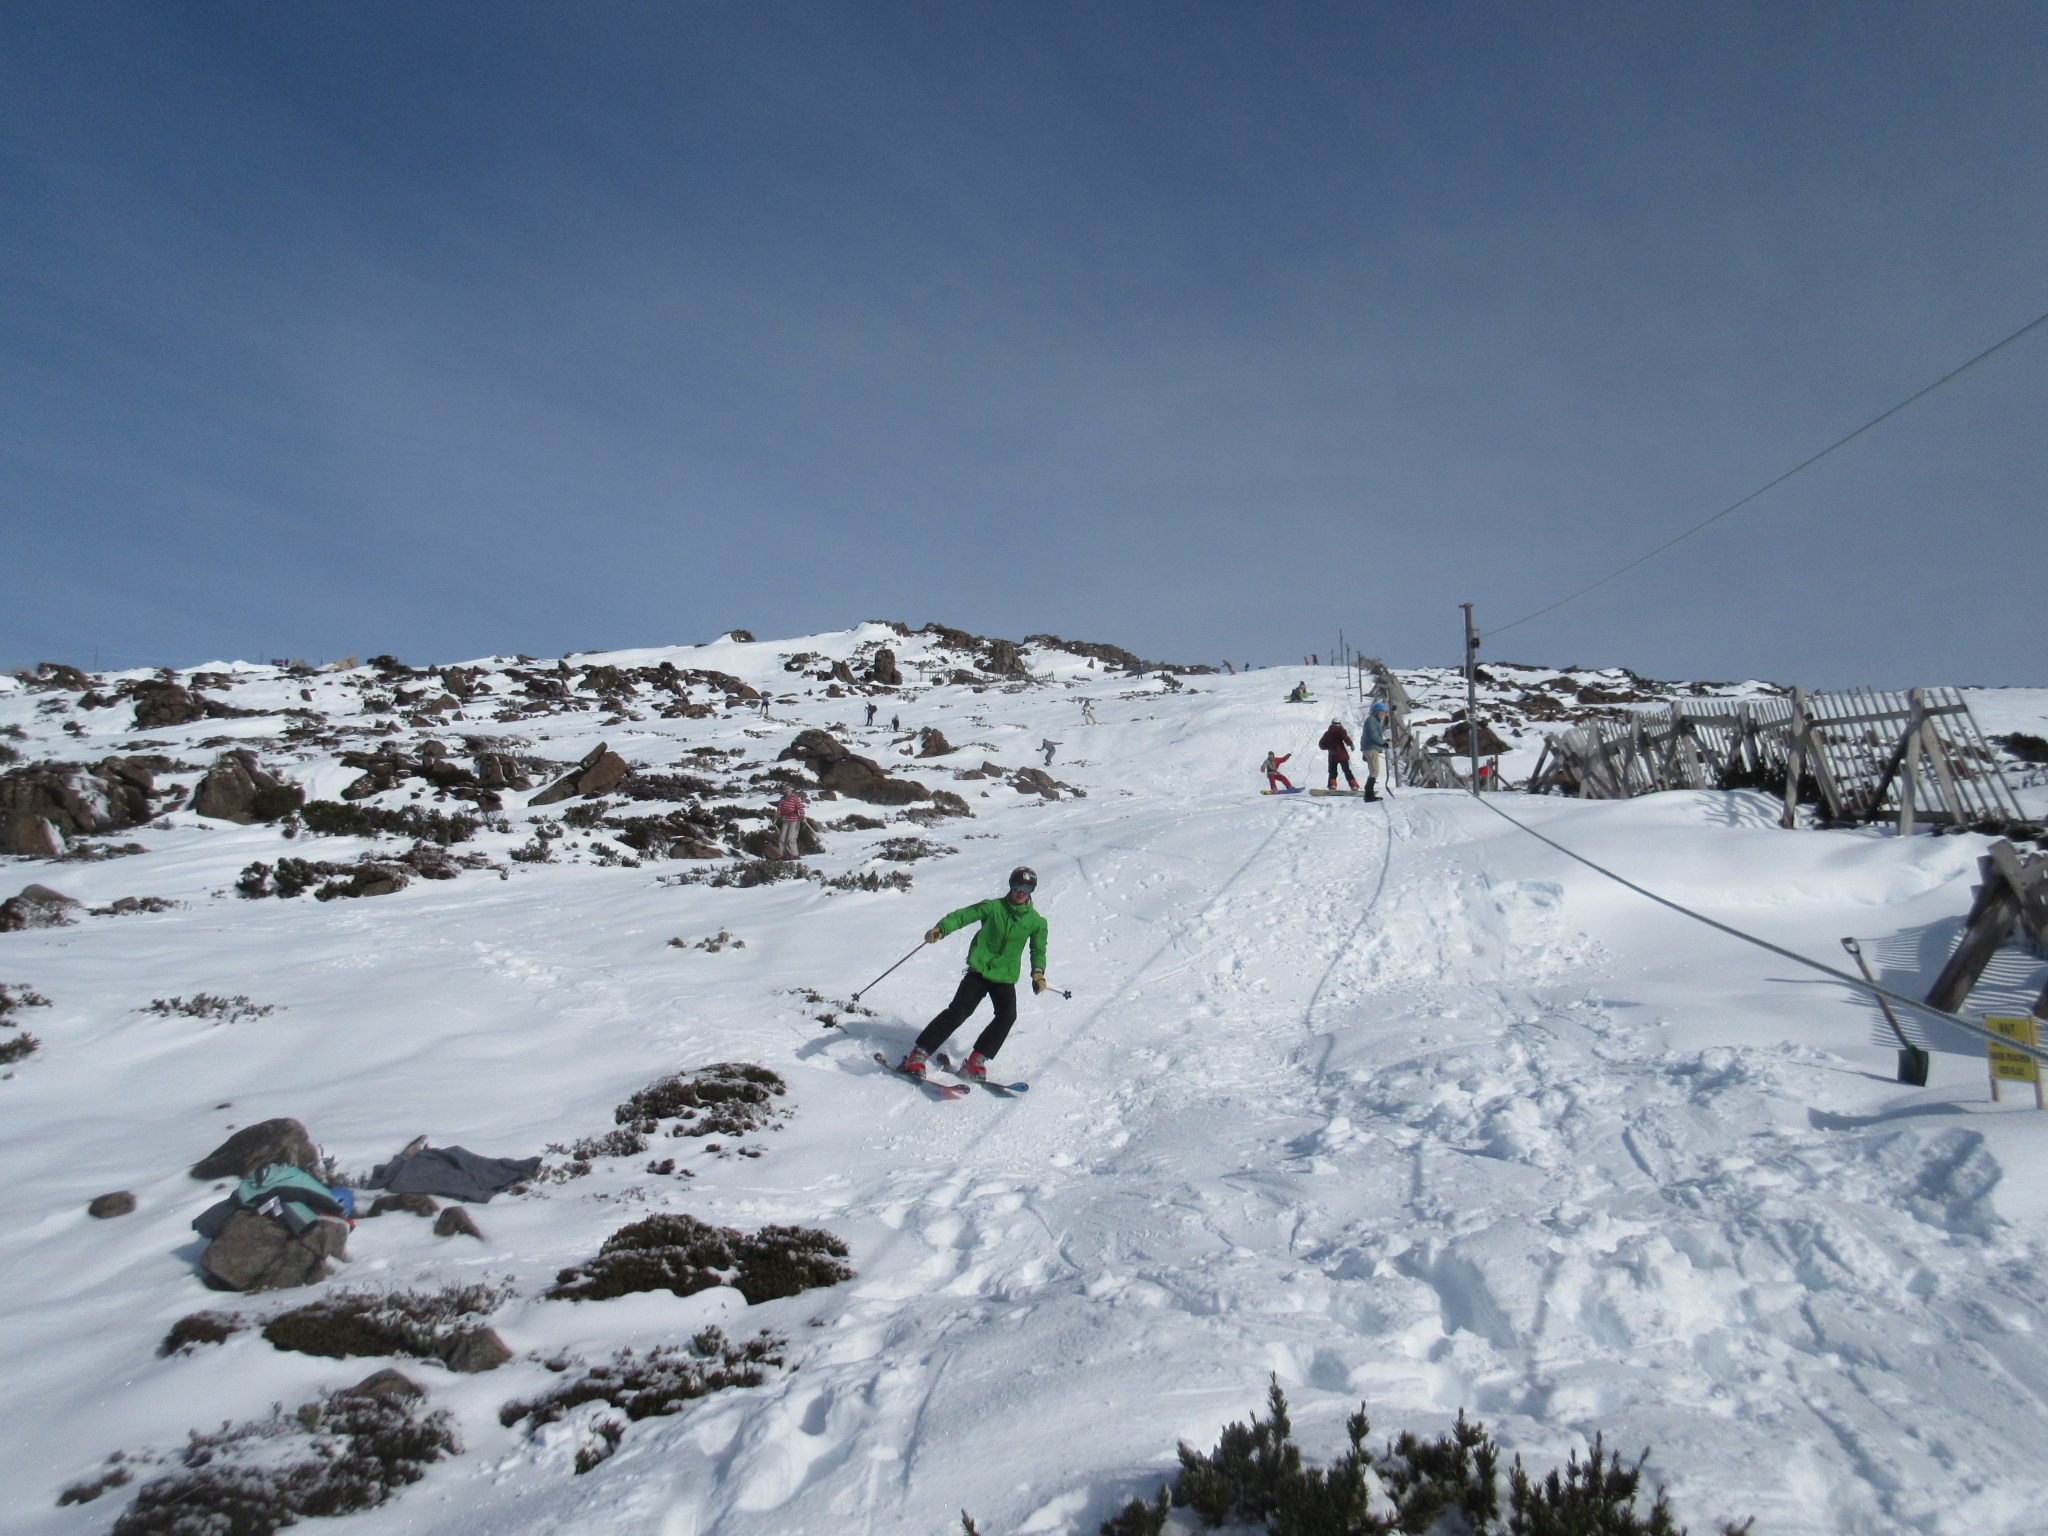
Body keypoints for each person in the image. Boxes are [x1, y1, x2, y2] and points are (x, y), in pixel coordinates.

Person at [898, 867, 1048, 1081]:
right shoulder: (993, 907)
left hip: (1004, 977)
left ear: (1032, 890)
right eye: (1017, 886)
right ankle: (918, 1055)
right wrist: (941, 929)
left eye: (1026, 887)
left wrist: (1038, 974)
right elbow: (962, 916)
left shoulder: (1036, 922)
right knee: (958, 1012)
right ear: (1010, 885)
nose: (1021, 892)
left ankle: (976, 1060)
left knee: (1007, 1015)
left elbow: (1038, 950)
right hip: (979, 971)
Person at [1359, 703, 1388, 801]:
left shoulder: (1373, 720)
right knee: (1374, 771)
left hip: (1370, 747)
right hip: (1371, 748)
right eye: (1381, 712)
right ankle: (1369, 795)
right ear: (1377, 712)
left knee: (1373, 771)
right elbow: (1373, 734)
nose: (1383, 715)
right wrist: (1383, 743)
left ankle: (1369, 794)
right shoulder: (1372, 720)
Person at [1319, 719, 1358, 790]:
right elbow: (1346, 739)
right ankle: (1354, 785)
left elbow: (1321, 745)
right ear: (1340, 724)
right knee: (1347, 771)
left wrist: (1328, 746)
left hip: (1332, 756)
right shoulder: (1341, 731)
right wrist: (1351, 744)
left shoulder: (1327, 733)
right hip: (1342, 755)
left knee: (1332, 772)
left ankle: (1332, 786)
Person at [773, 787, 805, 859]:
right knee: (782, 838)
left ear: (791, 791)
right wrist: (776, 816)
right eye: (786, 790)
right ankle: (781, 854)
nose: (787, 792)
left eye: (789, 790)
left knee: (791, 838)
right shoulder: (782, 800)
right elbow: (779, 809)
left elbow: (800, 807)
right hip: (786, 820)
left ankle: (794, 854)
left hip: (795, 820)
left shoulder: (795, 799)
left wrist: (802, 815)